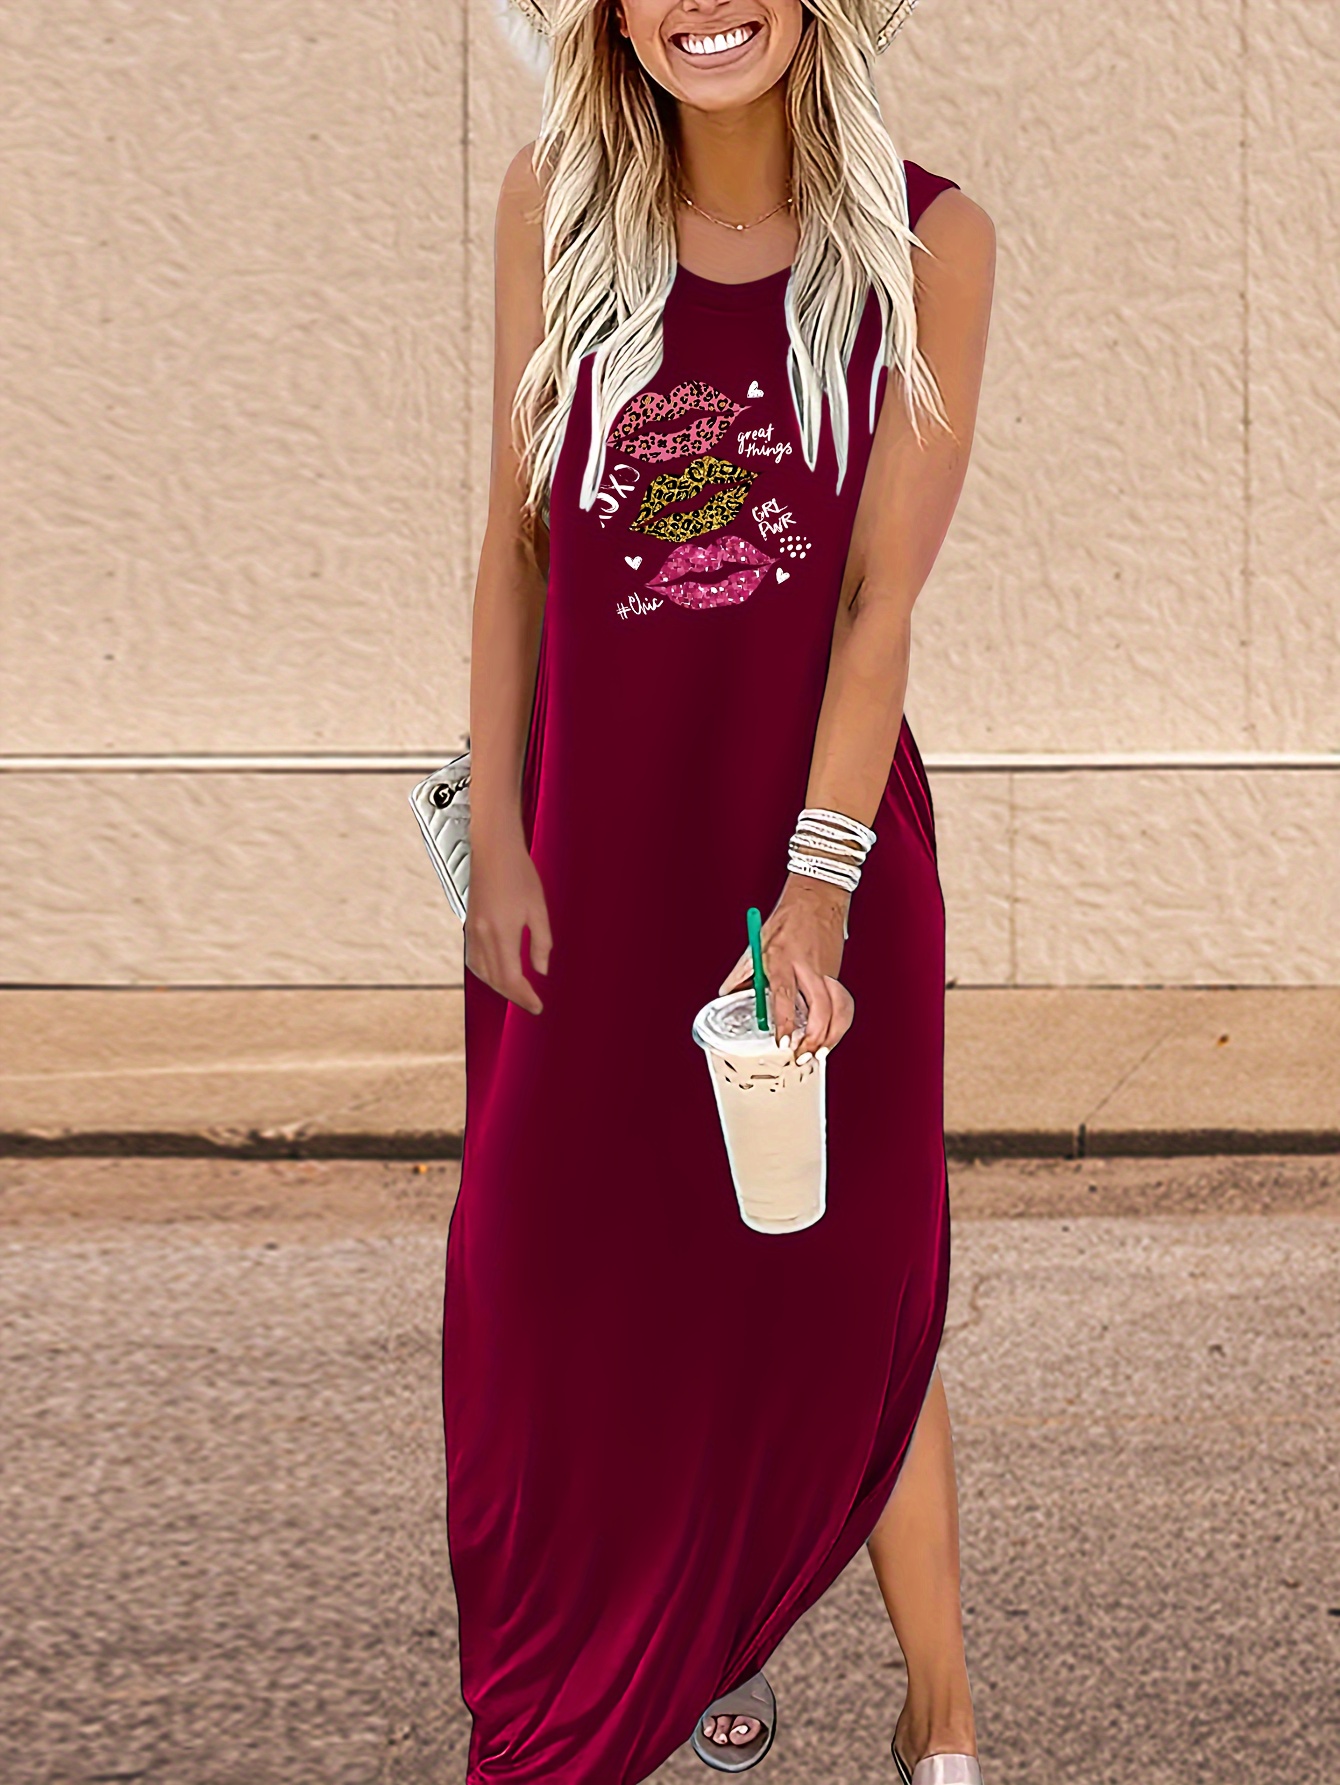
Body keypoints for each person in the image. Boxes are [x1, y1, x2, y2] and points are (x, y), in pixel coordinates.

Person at [445, 0, 996, 1778]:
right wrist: (499, 829)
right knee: (562, 1280)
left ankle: (942, 1714)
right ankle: (669, 1642)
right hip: (593, 854)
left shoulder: (931, 241)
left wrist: (817, 888)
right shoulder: (553, 203)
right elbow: (519, 534)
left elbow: (880, 601)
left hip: (812, 847)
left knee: (841, 1283)